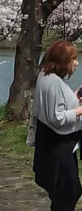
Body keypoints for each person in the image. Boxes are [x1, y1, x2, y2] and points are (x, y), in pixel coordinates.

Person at [30, 40, 82, 211]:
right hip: (58, 147)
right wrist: (80, 110)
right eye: (73, 59)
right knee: (69, 192)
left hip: (53, 144)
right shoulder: (53, 83)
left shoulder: (46, 76)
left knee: (64, 192)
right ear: (63, 61)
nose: (77, 62)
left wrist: (74, 97)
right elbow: (57, 118)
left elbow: (56, 104)